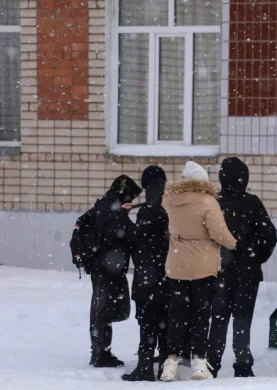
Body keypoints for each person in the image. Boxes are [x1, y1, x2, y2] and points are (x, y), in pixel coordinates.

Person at [160, 161, 238, 382]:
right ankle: (199, 364)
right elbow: (218, 232)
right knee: (200, 315)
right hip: (203, 266)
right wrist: (234, 244)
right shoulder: (207, 201)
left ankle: (170, 364)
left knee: (177, 315)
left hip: (176, 266)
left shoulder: (169, 200)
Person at [207, 157, 277, 378]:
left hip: (218, 271)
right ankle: (243, 365)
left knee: (218, 319)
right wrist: (256, 258)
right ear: (244, 178)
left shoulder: (213, 203)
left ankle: (211, 364)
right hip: (248, 273)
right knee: (242, 320)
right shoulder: (252, 203)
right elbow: (270, 236)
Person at [122, 166, 170, 381]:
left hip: (148, 278)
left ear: (145, 184)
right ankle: (166, 367)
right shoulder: (169, 205)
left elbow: (140, 243)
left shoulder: (147, 210)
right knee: (165, 323)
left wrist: (125, 221)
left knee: (147, 323)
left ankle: (145, 367)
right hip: (168, 275)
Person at [90, 175, 142, 368]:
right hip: (107, 268)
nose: (132, 201)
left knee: (100, 308)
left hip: (103, 266)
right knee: (104, 310)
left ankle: (98, 350)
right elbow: (128, 233)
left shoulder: (106, 204)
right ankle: (101, 353)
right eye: (131, 197)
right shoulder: (112, 208)